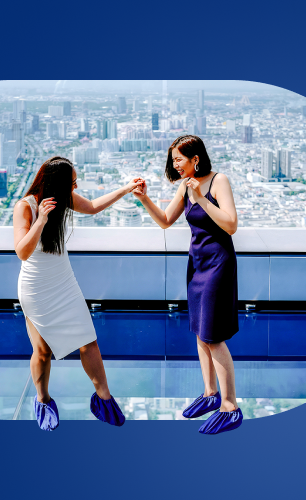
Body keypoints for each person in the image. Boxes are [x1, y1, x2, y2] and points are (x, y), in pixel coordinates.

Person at [13, 156, 142, 431]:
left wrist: (126, 188)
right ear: (55, 184)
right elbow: (22, 251)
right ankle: (43, 400)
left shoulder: (64, 198)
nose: (76, 186)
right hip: (36, 288)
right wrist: (41, 220)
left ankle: (104, 400)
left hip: (64, 282)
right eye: (72, 182)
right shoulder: (26, 206)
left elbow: (94, 207)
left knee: (88, 340)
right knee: (43, 351)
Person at [131, 135, 242, 434]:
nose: (174, 165)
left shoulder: (219, 181)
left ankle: (230, 406)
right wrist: (144, 198)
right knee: (199, 330)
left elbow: (231, 224)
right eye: (173, 160)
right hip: (197, 264)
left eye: (178, 159)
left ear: (195, 158)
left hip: (219, 264)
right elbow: (166, 220)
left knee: (213, 335)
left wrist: (202, 199)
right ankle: (210, 394)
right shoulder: (185, 185)